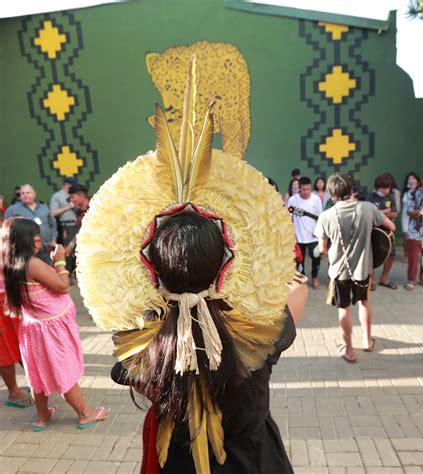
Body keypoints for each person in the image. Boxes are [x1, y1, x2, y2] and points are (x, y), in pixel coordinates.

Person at [76, 59, 303, 474]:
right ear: (227, 265)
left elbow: (123, 367)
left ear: (150, 270)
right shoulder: (266, 329)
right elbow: (295, 292)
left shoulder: (141, 347)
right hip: (255, 461)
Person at [0, 217, 109, 431]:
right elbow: (62, 286)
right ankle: (86, 413)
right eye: (34, 234)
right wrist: (60, 261)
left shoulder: (10, 263)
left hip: (32, 329)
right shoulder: (32, 263)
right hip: (50, 332)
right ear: (23, 239)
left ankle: (42, 416)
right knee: (63, 371)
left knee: (37, 375)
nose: (39, 238)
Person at [315, 173, 395, 363]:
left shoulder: (326, 216)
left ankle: (349, 350)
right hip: (364, 268)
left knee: (344, 308)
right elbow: (390, 226)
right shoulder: (368, 208)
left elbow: (322, 248)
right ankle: (367, 341)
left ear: (331, 194)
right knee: (364, 302)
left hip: (339, 272)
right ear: (351, 190)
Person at [0, 211, 33, 409]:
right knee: (4, 348)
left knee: (22, 341)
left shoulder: (4, 234)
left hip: (11, 296)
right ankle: (13, 391)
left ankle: (34, 381)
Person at [5, 184, 57, 263]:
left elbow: (53, 225)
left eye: (28, 192)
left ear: (34, 193)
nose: (25, 195)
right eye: (22, 193)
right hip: (25, 252)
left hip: (46, 250)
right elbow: (6, 229)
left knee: (48, 272)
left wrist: (53, 239)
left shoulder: (44, 208)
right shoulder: (12, 210)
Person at [288, 177, 323, 289]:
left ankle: (314, 277)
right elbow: (289, 218)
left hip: (314, 236)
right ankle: (301, 280)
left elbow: (320, 218)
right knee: (299, 261)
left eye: (308, 189)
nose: (306, 192)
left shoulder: (316, 199)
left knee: (316, 257)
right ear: (299, 188)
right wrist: (291, 234)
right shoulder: (293, 200)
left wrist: (318, 233)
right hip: (299, 237)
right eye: (304, 189)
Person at [366, 174, 399, 290]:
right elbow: (369, 214)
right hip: (373, 231)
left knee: (391, 255)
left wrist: (379, 213)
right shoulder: (370, 197)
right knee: (371, 255)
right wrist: (385, 211)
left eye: (388, 187)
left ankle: (384, 278)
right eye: (383, 188)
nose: (386, 190)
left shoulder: (391, 197)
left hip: (388, 231)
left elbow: (394, 213)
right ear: (377, 187)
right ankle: (372, 280)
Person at [50, 178, 77, 270]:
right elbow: (53, 212)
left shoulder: (75, 195)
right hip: (66, 226)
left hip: (78, 225)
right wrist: (68, 206)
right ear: (66, 185)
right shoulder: (57, 196)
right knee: (67, 249)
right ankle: (67, 272)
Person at [65, 184, 90, 259]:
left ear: (81, 195)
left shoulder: (95, 208)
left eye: (73, 197)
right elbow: (80, 230)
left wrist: (70, 246)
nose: (71, 200)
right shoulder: (78, 212)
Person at [401, 172, 421, 262]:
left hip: (415, 215)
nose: (411, 180)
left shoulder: (420, 191)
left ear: (417, 180)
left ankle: (415, 254)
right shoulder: (405, 192)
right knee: (406, 235)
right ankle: (406, 255)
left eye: (413, 178)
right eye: (409, 178)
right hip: (405, 215)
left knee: (415, 236)